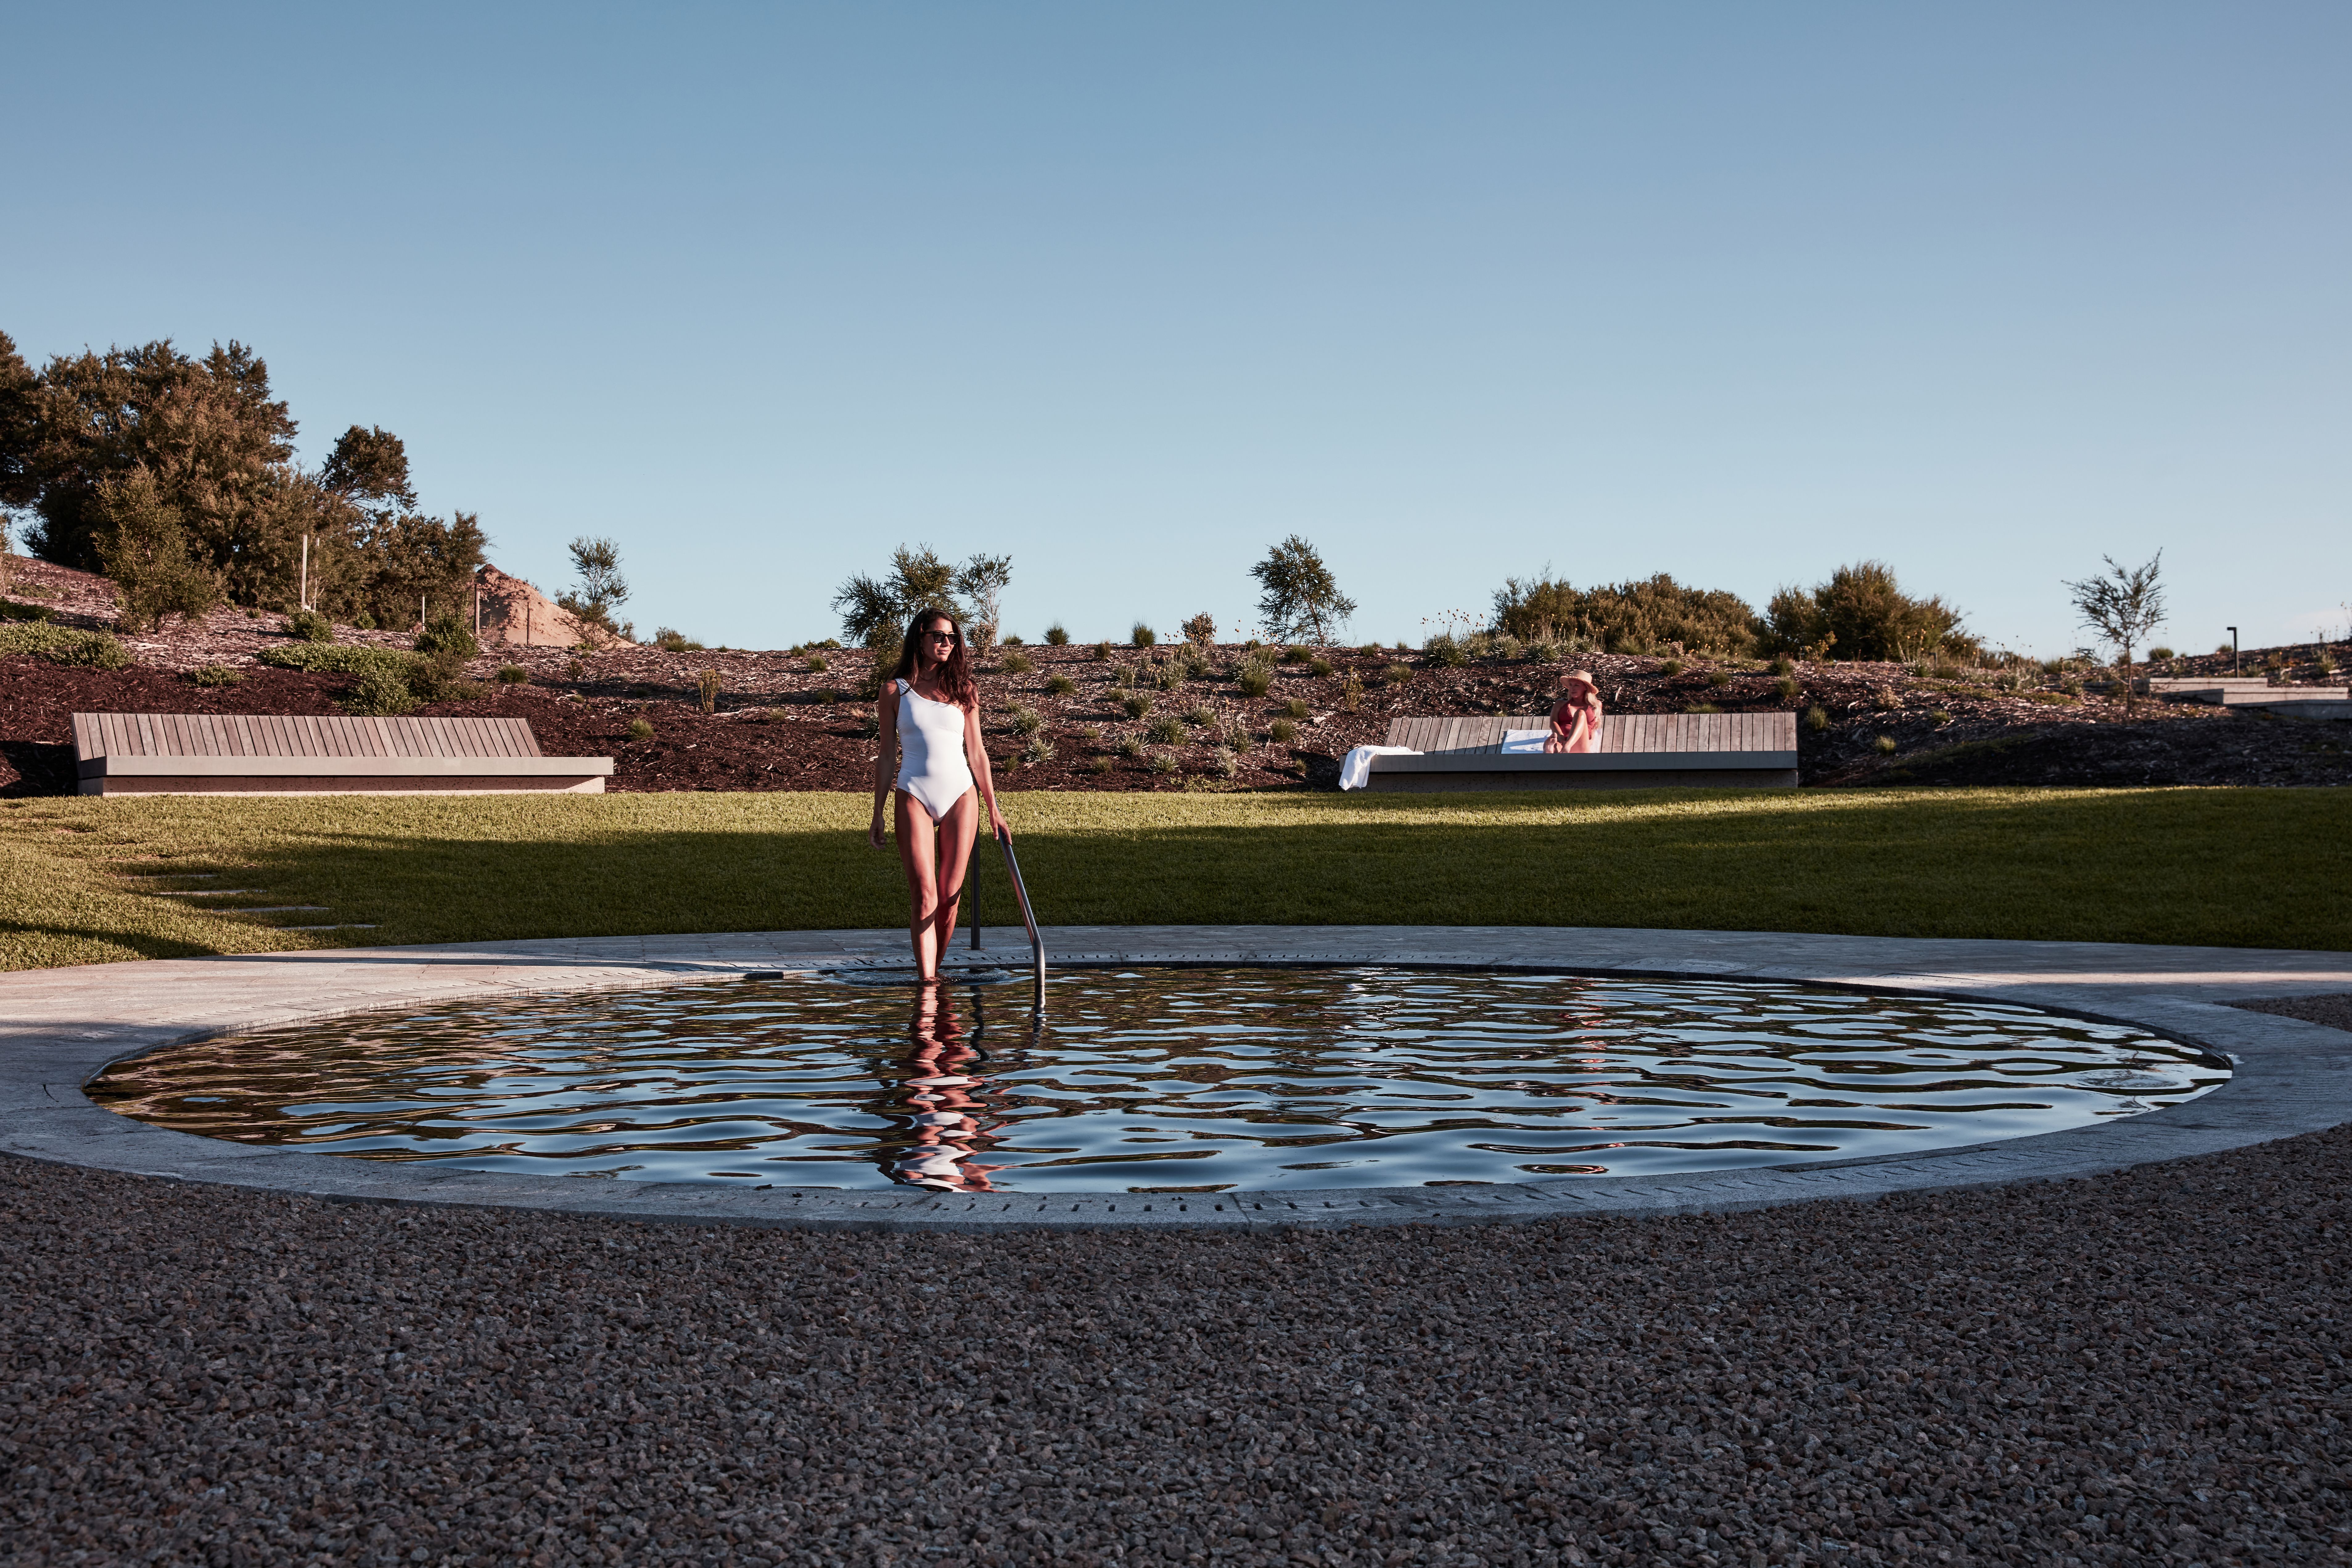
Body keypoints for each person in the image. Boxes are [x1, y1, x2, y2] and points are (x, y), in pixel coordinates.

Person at [868, 609, 1011, 980]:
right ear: (920, 638)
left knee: (949, 898)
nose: (947, 643)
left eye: (953, 638)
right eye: (939, 636)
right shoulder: (893, 691)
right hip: (913, 791)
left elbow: (977, 753)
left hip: (961, 794)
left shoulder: (965, 690)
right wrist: (878, 812)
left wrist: (993, 808)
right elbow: (886, 755)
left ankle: (935, 972)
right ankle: (928, 985)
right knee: (925, 895)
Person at [1544, 670, 1603, 753]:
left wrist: (1591, 740)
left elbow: (1594, 727)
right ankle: (1550, 750)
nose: (1572, 688)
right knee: (1555, 745)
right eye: (1571, 685)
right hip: (1562, 740)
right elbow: (1553, 722)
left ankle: (1566, 747)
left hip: (1580, 743)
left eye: (1577, 685)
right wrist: (1561, 737)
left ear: (1586, 687)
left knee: (1581, 714)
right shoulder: (1560, 704)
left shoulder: (1596, 705)